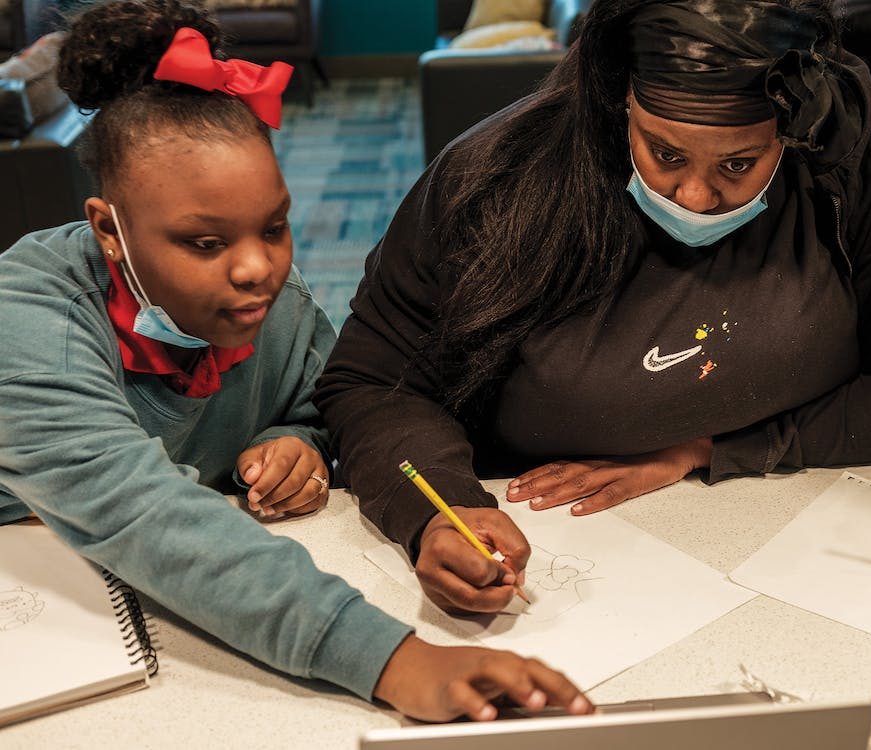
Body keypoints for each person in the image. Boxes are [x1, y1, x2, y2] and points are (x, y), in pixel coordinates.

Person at [0, 0, 591, 722]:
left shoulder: (267, 301)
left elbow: (317, 402)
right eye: (205, 243)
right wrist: (396, 661)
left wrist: (297, 443)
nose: (258, 270)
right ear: (109, 231)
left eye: (274, 227)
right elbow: (140, 509)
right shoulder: (27, 317)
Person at [317, 0, 871, 615]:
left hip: (790, 542)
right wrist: (442, 511)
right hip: (541, 534)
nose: (694, 196)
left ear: (794, 126)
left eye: (738, 165)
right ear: (622, 99)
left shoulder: (867, 161)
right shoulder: (497, 176)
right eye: (665, 154)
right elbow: (374, 382)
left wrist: (706, 449)